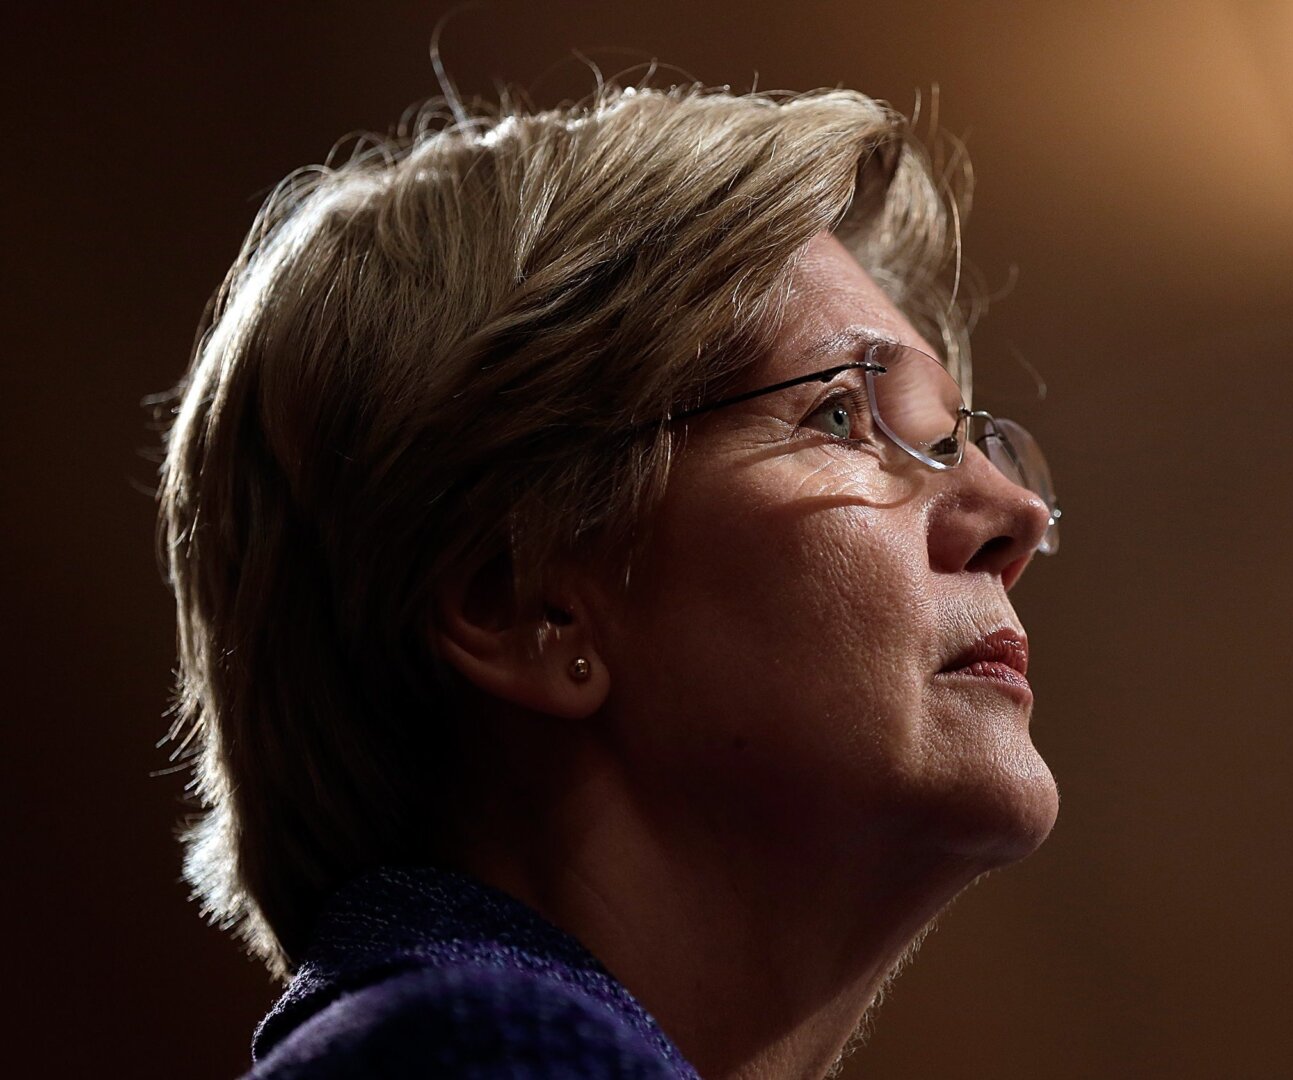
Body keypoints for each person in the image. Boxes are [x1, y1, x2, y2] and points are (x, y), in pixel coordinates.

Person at [153, 80, 1062, 1079]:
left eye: (954, 438)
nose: (1010, 518)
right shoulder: (477, 1053)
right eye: (841, 415)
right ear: (524, 602)